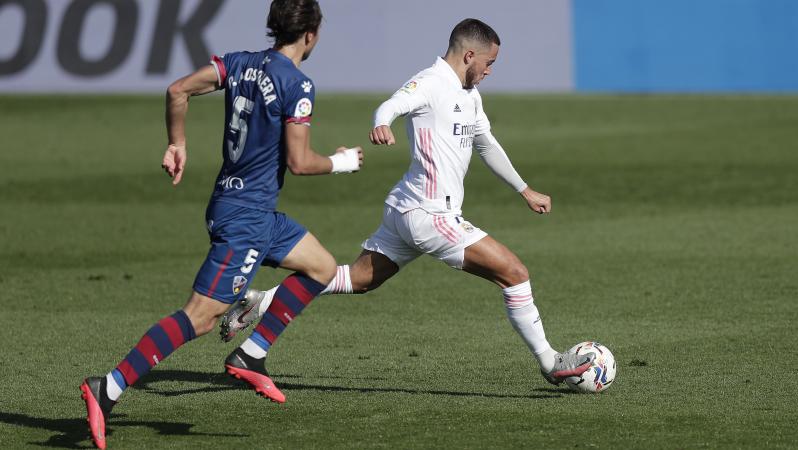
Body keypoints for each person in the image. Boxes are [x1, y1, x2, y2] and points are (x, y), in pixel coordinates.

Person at [221, 18, 594, 391]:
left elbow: (486, 145)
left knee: (359, 278)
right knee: (514, 272)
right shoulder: (431, 82)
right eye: (489, 63)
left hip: (406, 209)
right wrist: (382, 123)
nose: (490, 71)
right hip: (430, 214)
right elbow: (392, 105)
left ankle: (262, 301)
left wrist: (524, 189)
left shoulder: (469, 95)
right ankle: (550, 361)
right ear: (469, 55)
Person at [79, 0, 363, 448]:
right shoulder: (298, 84)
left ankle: (251, 355)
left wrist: (178, 144)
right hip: (245, 220)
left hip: (245, 208)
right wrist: (341, 162)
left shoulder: (239, 64)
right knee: (202, 317)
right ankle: (108, 388)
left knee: (322, 267)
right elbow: (301, 162)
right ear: (310, 34)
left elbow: (177, 89)